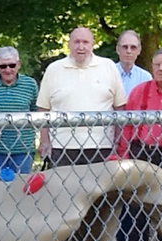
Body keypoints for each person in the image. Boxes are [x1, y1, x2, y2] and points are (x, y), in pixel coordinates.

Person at [116, 48, 162, 241]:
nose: (161, 69)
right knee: (134, 211)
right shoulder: (139, 91)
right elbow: (127, 127)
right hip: (140, 154)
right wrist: (123, 157)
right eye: (157, 65)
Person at [37, 27, 127, 167]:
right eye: (76, 42)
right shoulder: (53, 69)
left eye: (85, 42)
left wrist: (118, 142)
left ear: (93, 44)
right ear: (69, 44)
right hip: (61, 146)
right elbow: (43, 109)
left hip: (101, 146)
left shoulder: (108, 67)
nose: (81, 47)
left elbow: (120, 108)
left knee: (99, 189)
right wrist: (44, 141)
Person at [115, 30, 152, 97]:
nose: (129, 51)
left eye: (133, 47)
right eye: (125, 47)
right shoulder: (107, 74)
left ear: (139, 50)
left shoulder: (145, 78)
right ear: (117, 49)